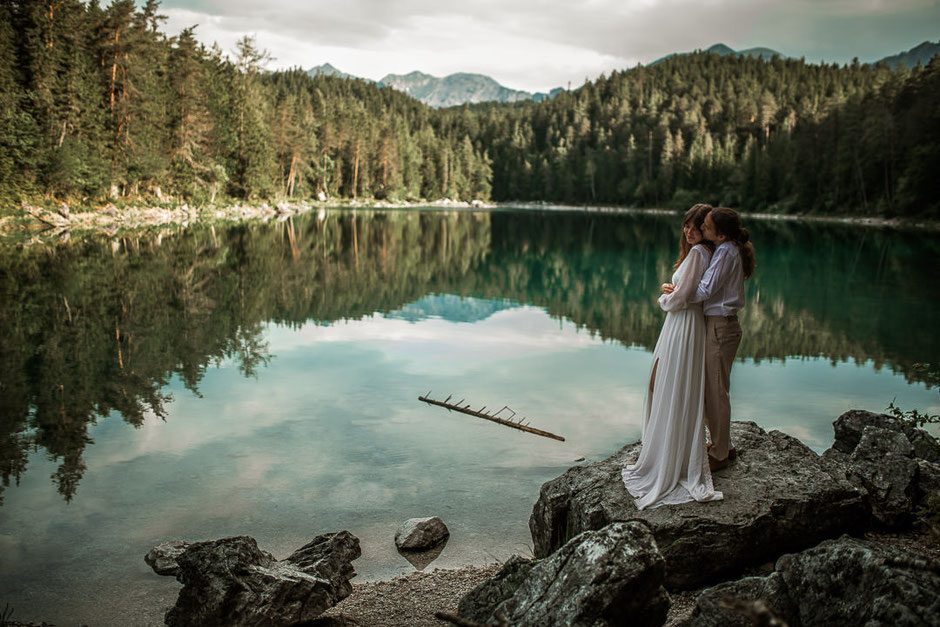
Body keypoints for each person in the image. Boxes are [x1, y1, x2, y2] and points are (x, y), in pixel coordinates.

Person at [621, 204, 723, 510]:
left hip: (683, 324)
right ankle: (669, 452)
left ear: (705, 229)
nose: (689, 232)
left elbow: (680, 298)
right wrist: (677, 289)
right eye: (686, 226)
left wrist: (664, 296)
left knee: (664, 383)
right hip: (686, 324)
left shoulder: (697, 254)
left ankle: (667, 459)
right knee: (670, 383)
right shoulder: (706, 254)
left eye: (695, 227)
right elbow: (690, 290)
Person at [692, 207, 756, 472]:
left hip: (721, 327)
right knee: (713, 389)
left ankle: (719, 453)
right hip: (720, 327)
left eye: (706, 226)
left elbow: (705, 289)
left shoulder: (726, 252)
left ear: (719, 233)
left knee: (716, 392)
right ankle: (724, 444)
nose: (702, 229)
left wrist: (677, 293)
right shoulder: (728, 249)